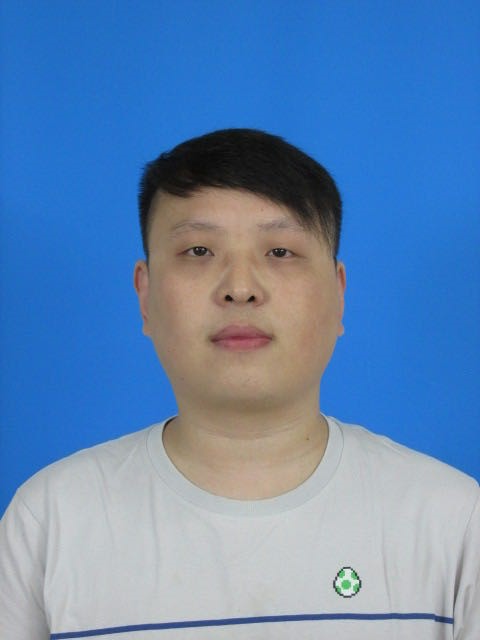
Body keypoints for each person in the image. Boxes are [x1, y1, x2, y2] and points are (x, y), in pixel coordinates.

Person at [0, 128, 478, 640]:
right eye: (199, 250)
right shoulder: (53, 520)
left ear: (338, 295)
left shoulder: (450, 521)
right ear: (145, 295)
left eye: (280, 252)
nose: (241, 288)